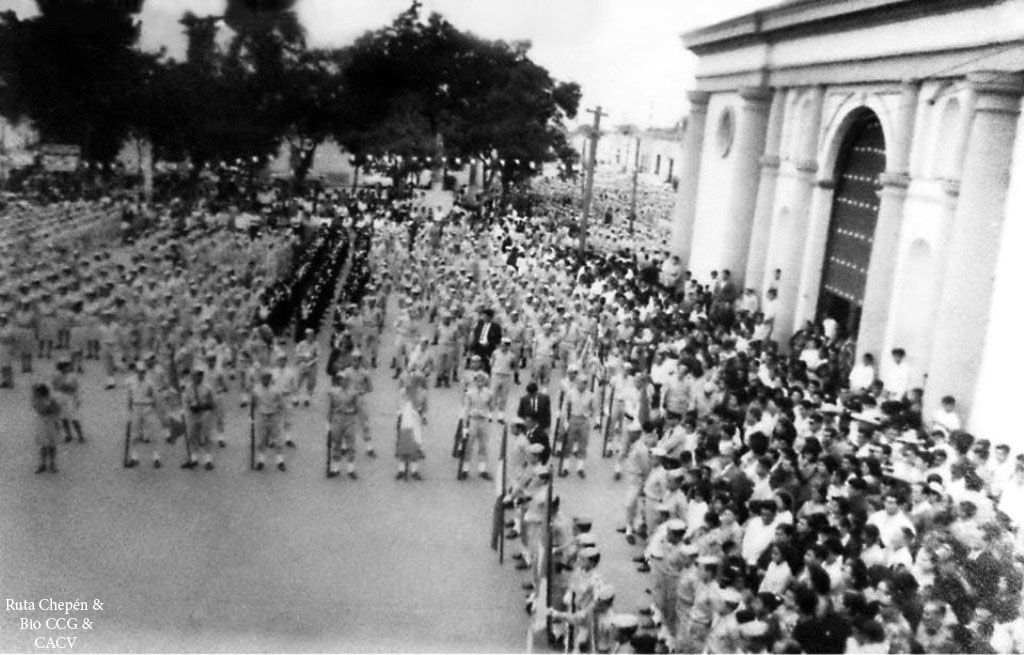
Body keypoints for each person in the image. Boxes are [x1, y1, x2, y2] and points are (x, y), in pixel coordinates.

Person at [326, 370, 361, 479]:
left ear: (348, 381)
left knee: (351, 445)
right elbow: (330, 408)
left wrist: (356, 421)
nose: (343, 381)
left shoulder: (354, 393)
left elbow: (358, 407)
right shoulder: (333, 392)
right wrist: (328, 424)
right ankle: (335, 469)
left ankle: (351, 470)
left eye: (345, 379)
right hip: (337, 418)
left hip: (349, 419)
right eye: (341, 379)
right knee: (336, 443)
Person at [126, 361, 161, 468]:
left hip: (147, 408)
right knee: (134, 434)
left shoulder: (150, 383)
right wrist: (129, 409)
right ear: (136, 371)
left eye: (143, 372)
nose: (141, 374)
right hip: (136, 408)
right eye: (139, 372)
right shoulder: (130, 382)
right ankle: (134, 457)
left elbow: (155, 397)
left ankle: (156, 457)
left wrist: (156, 409)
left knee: (153, 433)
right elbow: (129, 396)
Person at [461, 370, 494, 480]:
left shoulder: (489, 393)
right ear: (474, 382)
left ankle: (482, 469)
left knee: (483, 445)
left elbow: (492, 407)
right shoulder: (469, 393)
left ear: (485, 382)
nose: (480, 383)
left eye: (482, 381)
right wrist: (465, 425)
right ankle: (465, 469)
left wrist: (489, 413)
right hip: (473, 420)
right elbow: (466, 409)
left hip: (483, 420)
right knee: (469, 445)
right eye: (477, 381)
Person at [396, 370, 428, 481]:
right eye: (414, 379)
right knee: (404, 444)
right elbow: (400, 403)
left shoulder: (423, 393)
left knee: (416, 443)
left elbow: (424, 407)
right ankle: (401, 469)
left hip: (416, 420)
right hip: (406, 419)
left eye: (418, 379)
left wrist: (424, 416)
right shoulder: (405, 391)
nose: (416, 381)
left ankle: (414, 470)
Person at [182, 369, 216, 471]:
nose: (193, 378)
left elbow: (213, 404)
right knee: (192, 435)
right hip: (193, 414)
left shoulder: (208, 388)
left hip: (204, 413)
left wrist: (203, 405)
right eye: (192, 375)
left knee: (206, 436)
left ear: (201, 376)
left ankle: (208, 460)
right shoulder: (189, 387)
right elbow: (186, 401)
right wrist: (187, 410)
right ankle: (194, 458)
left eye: (196, 376)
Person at [252, 369, 285, 472]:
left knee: (278, 439)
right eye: (263, 378)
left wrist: (279, 416)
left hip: (273, 416)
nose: (265, 380)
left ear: (270, 379)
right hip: (262, 416)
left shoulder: (276, 390)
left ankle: (280, 461)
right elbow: (253, 404)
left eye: (267, 378)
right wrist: (251, 417)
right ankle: (261, 461)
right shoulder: (256, 390)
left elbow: (281, 404)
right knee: (261, 439)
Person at [32, 383, 62, 474]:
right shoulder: (37, 401)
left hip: (51, 423)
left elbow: (57, 410)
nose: (35, 394)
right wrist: (48, 408)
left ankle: (52, 463)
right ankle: (43, 463)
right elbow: (39, 410)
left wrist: (49, 408)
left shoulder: (51, 400)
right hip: (43, 424)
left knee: (52, 445)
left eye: (36, 392)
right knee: (43, 445)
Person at [470, 307, 502, 374]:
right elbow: (476, 333)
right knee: (476, 365)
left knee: (488, 365)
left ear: (490, 317)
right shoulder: (480, 323)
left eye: (485, 316)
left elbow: (498, 339)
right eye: (483, 316)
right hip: (478, 347)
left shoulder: (496, 326)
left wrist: (489, 343)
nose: (483, 318)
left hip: (488, 348)